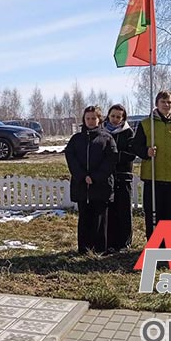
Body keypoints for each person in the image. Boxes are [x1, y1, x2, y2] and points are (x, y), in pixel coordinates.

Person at [132, 90, 171, 239]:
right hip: (153, 176)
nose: (166, 105)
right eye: (163, 102)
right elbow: (135, 146)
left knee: (169, 215)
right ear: (156, 104)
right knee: (152, 213)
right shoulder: (147, 124)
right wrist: (146, 152)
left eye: (169, 102)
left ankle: (167, 245)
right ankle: (153, 244)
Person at [65, 106, 116, 253]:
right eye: (88, 118)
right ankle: (84, 248)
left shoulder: (107, 138)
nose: (91, 121)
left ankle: (99, 249)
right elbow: (71, 158)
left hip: (101, 185)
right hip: (82, 186)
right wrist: (82, 176)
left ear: (99, 119)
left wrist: (95, 177)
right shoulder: (76, 139)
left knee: (100, 217)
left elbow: (111, 160)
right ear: (84, 119)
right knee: (84, 217)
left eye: (94, 118)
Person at [103, 104, 136, 252]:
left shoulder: (128, 132)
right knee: (110, 210)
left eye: (118, 117)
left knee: (124, 209)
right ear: (108, 116)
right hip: (107, 176)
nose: (115, 119)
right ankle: (110, 242)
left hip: (123, 176)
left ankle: (124, 242)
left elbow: (132, 153)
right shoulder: (103, 131)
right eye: (113, 116)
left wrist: (115, 157)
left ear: (123, 118)